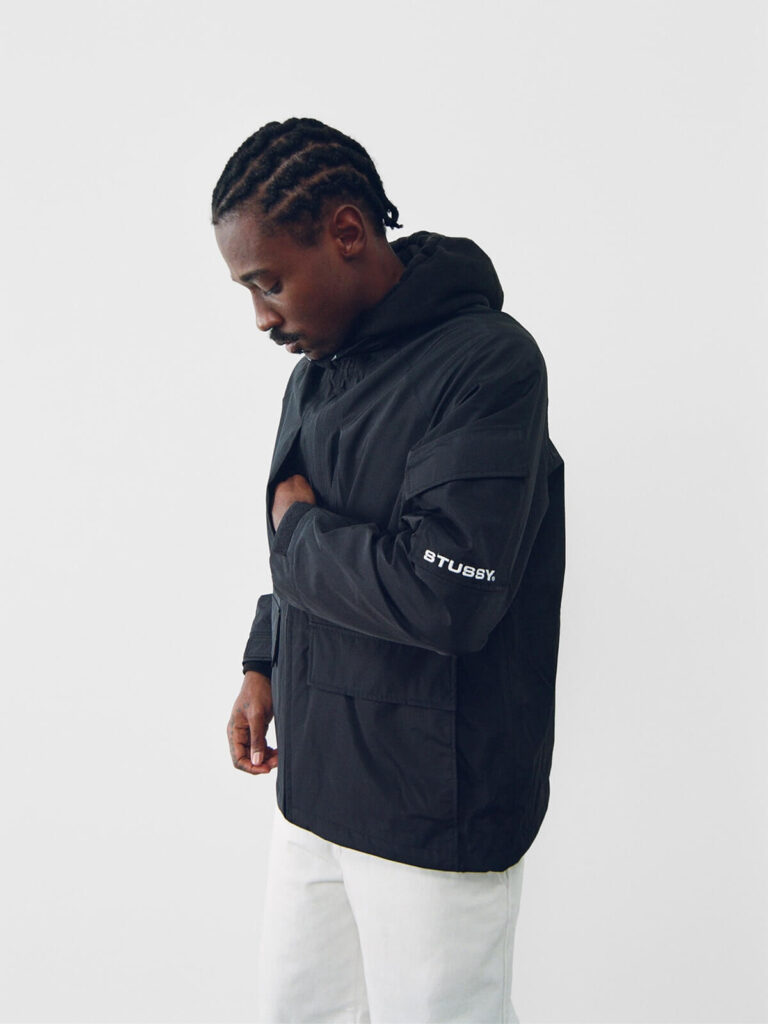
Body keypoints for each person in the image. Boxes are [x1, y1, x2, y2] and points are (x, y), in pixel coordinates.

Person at [212, 117, 566, 1024]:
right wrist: (267, 660)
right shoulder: (316, 373)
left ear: (346, 232)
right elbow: (305, 542)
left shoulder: (488, 363)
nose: (262, 317)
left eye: (268, 282)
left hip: (433, 804)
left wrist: (299, 534)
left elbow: (444, 597)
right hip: (316, 787)